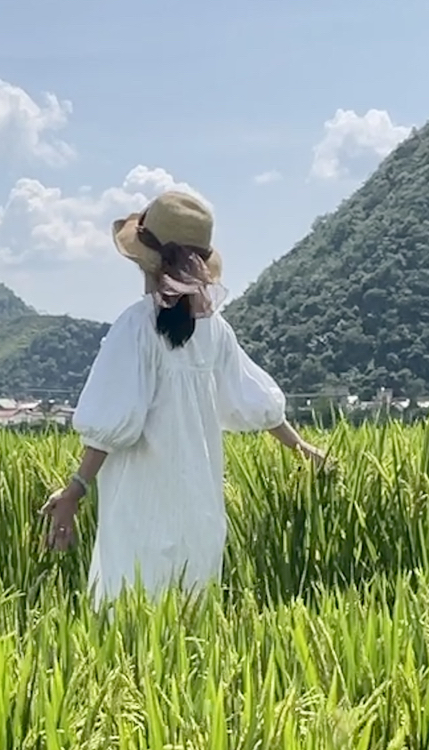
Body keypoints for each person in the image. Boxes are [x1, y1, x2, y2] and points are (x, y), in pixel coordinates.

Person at [41, 188, 326, 604]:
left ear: (146, 260)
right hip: (200, 511)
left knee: (133, 621)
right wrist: (301, 447)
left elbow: (111, 424)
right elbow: (255, 401)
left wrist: (75, 490)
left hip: (141, 505)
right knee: (191, 628)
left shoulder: (136, 327)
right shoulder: (214, 330)